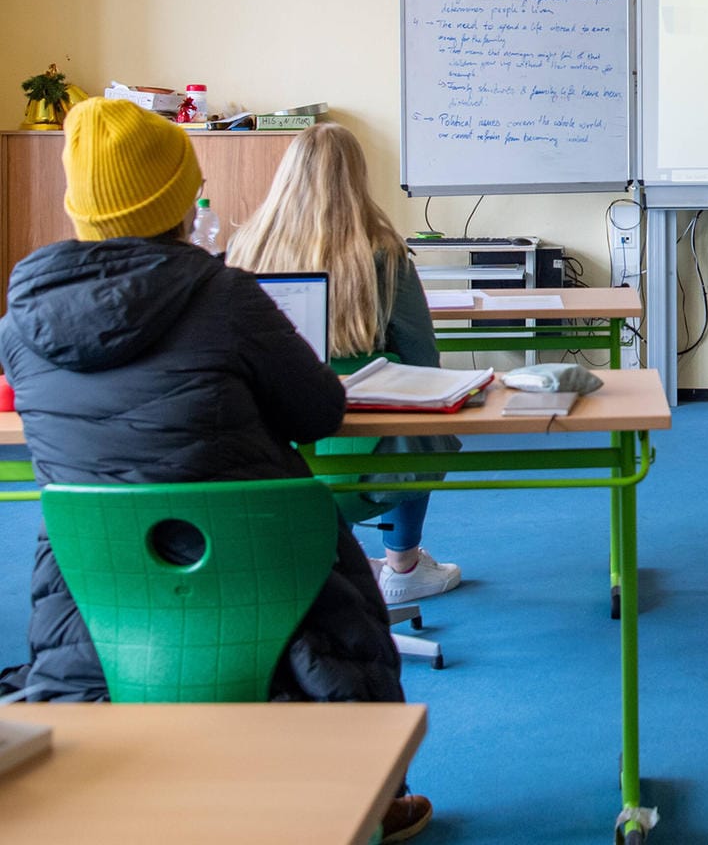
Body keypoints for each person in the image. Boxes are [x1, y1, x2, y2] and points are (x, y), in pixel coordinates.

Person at [0, 98, 432, 840]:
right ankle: (368, 798)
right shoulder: (225, 297)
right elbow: (319, 412)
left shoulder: (18, 326)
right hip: (266, 574)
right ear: (177, 200)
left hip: (98, 592)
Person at [226, 122, 462, 605]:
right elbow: (423, 358)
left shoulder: (245, 247)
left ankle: (326, 559)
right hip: (374, 458)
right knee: (429, 430)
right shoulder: (384, 253)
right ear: (358, 178)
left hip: (270, 457)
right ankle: (402, 564)